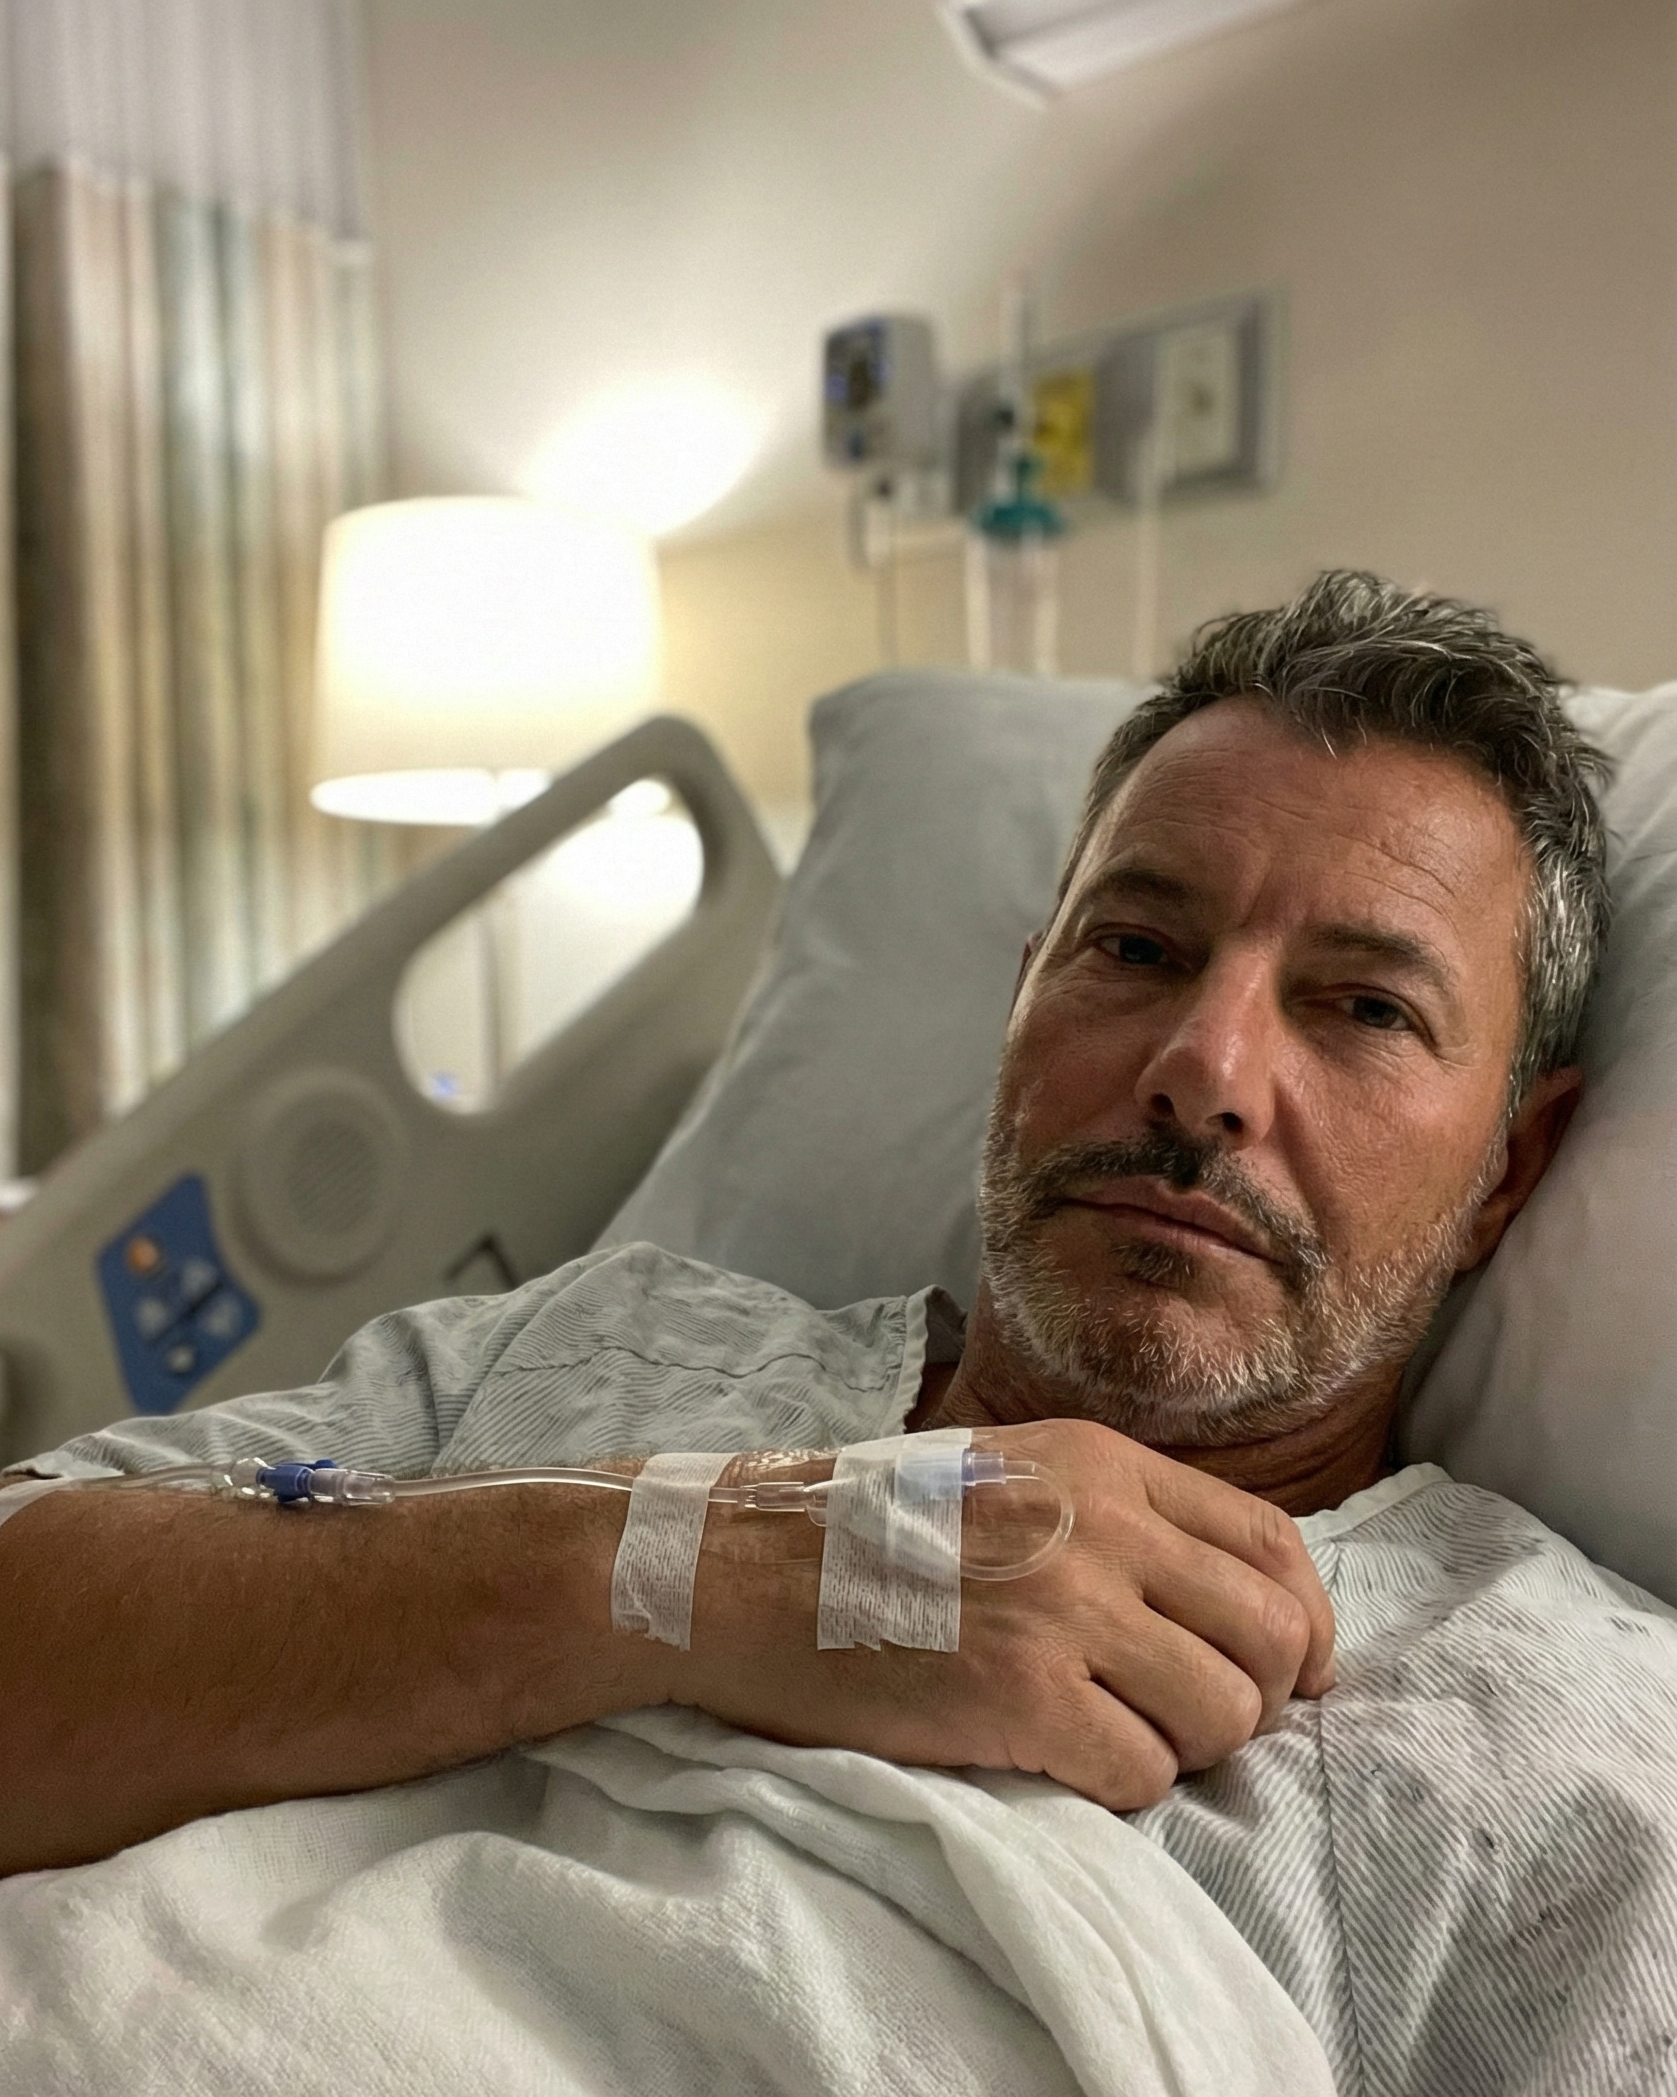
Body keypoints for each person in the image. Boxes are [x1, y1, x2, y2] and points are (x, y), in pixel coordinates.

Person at [5, 571, 1677, 2093]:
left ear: (1505, 1175)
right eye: (1138, 948)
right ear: (1023, 1003)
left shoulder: (1565, 1743)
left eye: (1365, 1007)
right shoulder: (608, 1342)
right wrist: (736, 1569)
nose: (1205, 1067)